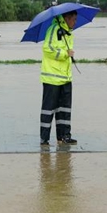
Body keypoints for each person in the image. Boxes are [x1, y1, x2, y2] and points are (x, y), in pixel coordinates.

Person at [39, 10, 78, 147]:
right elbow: (47, 49)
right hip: (52, 78)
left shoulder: (69, 33)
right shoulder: (54, 30)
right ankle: (44, 139)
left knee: (65, 110)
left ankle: (64, 136)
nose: (75, 22)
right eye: (73, 19)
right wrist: (65, 53)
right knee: (48, 109)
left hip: (66, 77)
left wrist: (68, 55)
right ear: (67, 18)